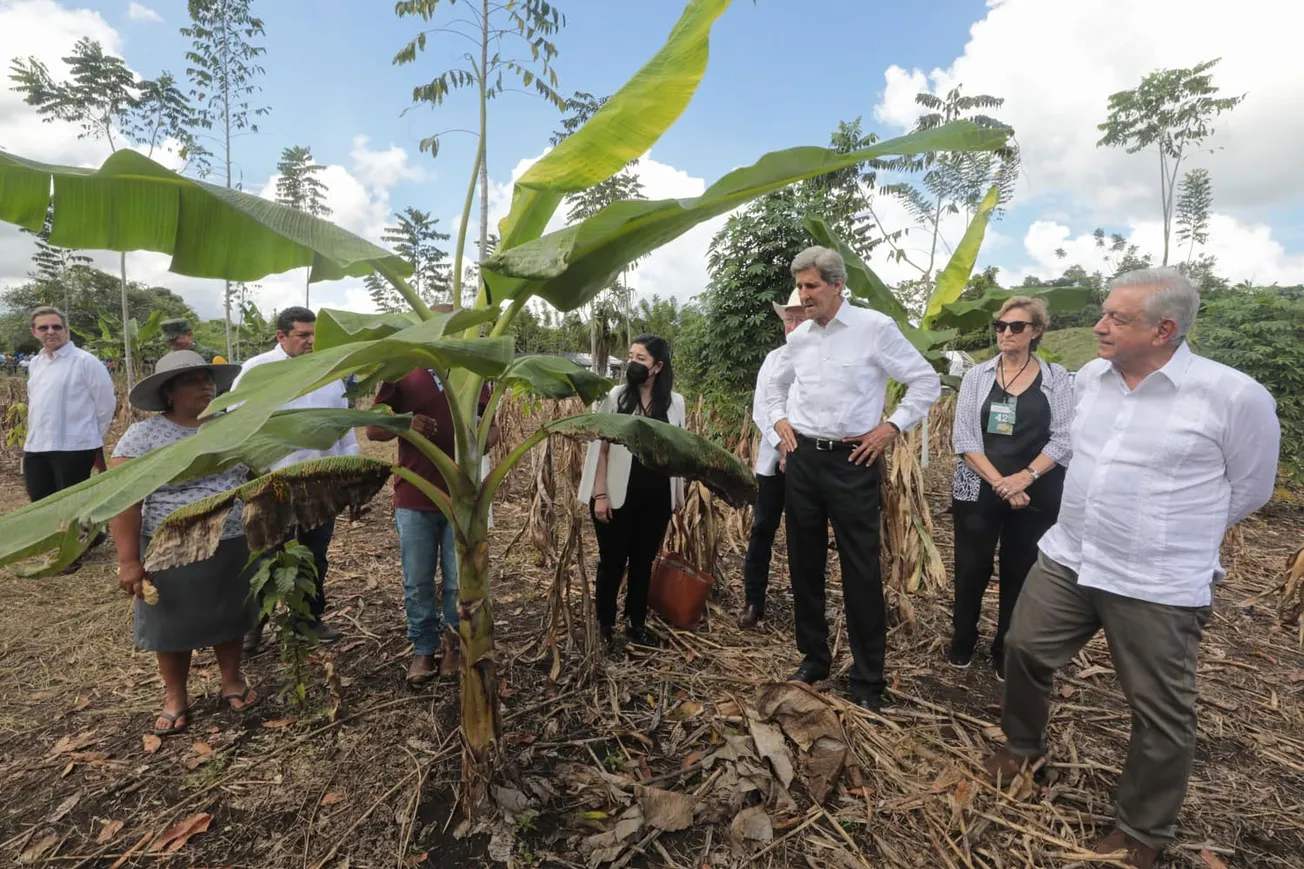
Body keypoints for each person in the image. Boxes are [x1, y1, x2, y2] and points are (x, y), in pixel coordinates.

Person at [985, 269, 1280, 868]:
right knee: (1023, 647)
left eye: (1117, 319)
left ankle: (1142, 830)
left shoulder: (1232, 396)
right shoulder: (1091, 379)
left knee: (1159, 709)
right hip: (1072, 555)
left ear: (1163, 330)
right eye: (1104, 312)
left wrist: (1170, 531)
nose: (1099, 326)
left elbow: (1251, 488)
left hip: (1155, 580)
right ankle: (1022, 749)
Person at [767, 247, 940, 712]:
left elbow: (925, 381)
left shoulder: (873, 328)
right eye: (799, 287)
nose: (803, 296)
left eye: (811, 286)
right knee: (803, 564)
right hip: (803, 459)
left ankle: (868, 678)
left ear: (838, 285)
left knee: (860, 569)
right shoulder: (801, 338)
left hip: (852, 461)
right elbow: (774, 387)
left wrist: (890, 428)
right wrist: (779, 421)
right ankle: (814, 658)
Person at [110, 350, 259, 736]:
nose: (205, 385)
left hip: (230, 540)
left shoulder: (234, 427)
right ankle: (176, 696)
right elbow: (125, 501)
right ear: (169, 392)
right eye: (193, 380)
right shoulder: (144, 436)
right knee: (170, 624)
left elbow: (258, 477)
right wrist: (128, 561)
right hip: (170, 546)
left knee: (230, 614)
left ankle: (232, 680)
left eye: (208, 378)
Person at [949, 297, 1074, 678]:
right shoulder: (977, 376)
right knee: (971, 567)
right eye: (1001, 326)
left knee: (1021, 568)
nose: (1006, 333)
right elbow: (964, 438)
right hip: (979, 486)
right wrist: (1002, 483)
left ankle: (1006, 648)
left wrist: (1025, 477)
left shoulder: (1056, 378)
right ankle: (962, 639)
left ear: (1036, 331)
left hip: (1035, 490)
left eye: (1016, 326)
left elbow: (1064, 437)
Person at [366, 353, 499, 685]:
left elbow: (492, 427)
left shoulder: (473, 372)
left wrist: (484, 439)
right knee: (418, 581)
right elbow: (372, 430)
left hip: (462, 500)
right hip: (415, 493)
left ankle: (453, 644)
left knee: (457, 582)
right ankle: (424, 648)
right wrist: (405, 423)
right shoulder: (401, 371)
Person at [236, 307, 357, 651]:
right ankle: (254, 626)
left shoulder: (328, 371)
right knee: (267, 555)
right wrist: (257, 469)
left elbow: (344, 424)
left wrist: (349, 469)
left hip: (321, 481)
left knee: (316, 554)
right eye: (303, 335)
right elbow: (236, 422)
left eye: (314, 334)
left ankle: (308, 621)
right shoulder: (257, 370)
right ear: (281, 336)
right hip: (272, 482)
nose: (311, 341)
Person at [578, 335, 686, 648]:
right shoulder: (615, 397)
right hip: (615, 494)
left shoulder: (675, 403)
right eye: (631, 356)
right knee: (612, 562)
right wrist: (600, 494)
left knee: (643, 562)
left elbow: (681, 450)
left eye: (641, 358)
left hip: (656, 495)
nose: (632, 363)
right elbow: (600, 447)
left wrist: (678, 496)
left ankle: (636, 623)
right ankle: (605, 626)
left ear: (658, 366)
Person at [739, 289, 806, 629]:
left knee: (803, 533)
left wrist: (798, 451)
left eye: (799, 320)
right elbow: (762, 409)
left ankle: (806, 604)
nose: (792, 326)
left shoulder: (823, 361)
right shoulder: (774, 359)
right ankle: (754, 600)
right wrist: (784, 446)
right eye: (788, 320)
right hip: (773, 460)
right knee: (763, 527)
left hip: (809, 463)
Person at [22, 306, 116, 505]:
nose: (50, 332)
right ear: (34, 332)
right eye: (43, 328)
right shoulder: (36, 363)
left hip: (74, 449)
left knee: (71, 508)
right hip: (36, 446)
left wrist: (89, 436)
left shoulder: (86, 362)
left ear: (66, 329)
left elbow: (106, 405)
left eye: (56, 327)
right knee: (40, 506)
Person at [160, 318, 225, 363]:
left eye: (175, 340)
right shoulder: (168, 360)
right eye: (169, 342)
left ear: (189, 334)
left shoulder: (210, 355)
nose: (173, 346)